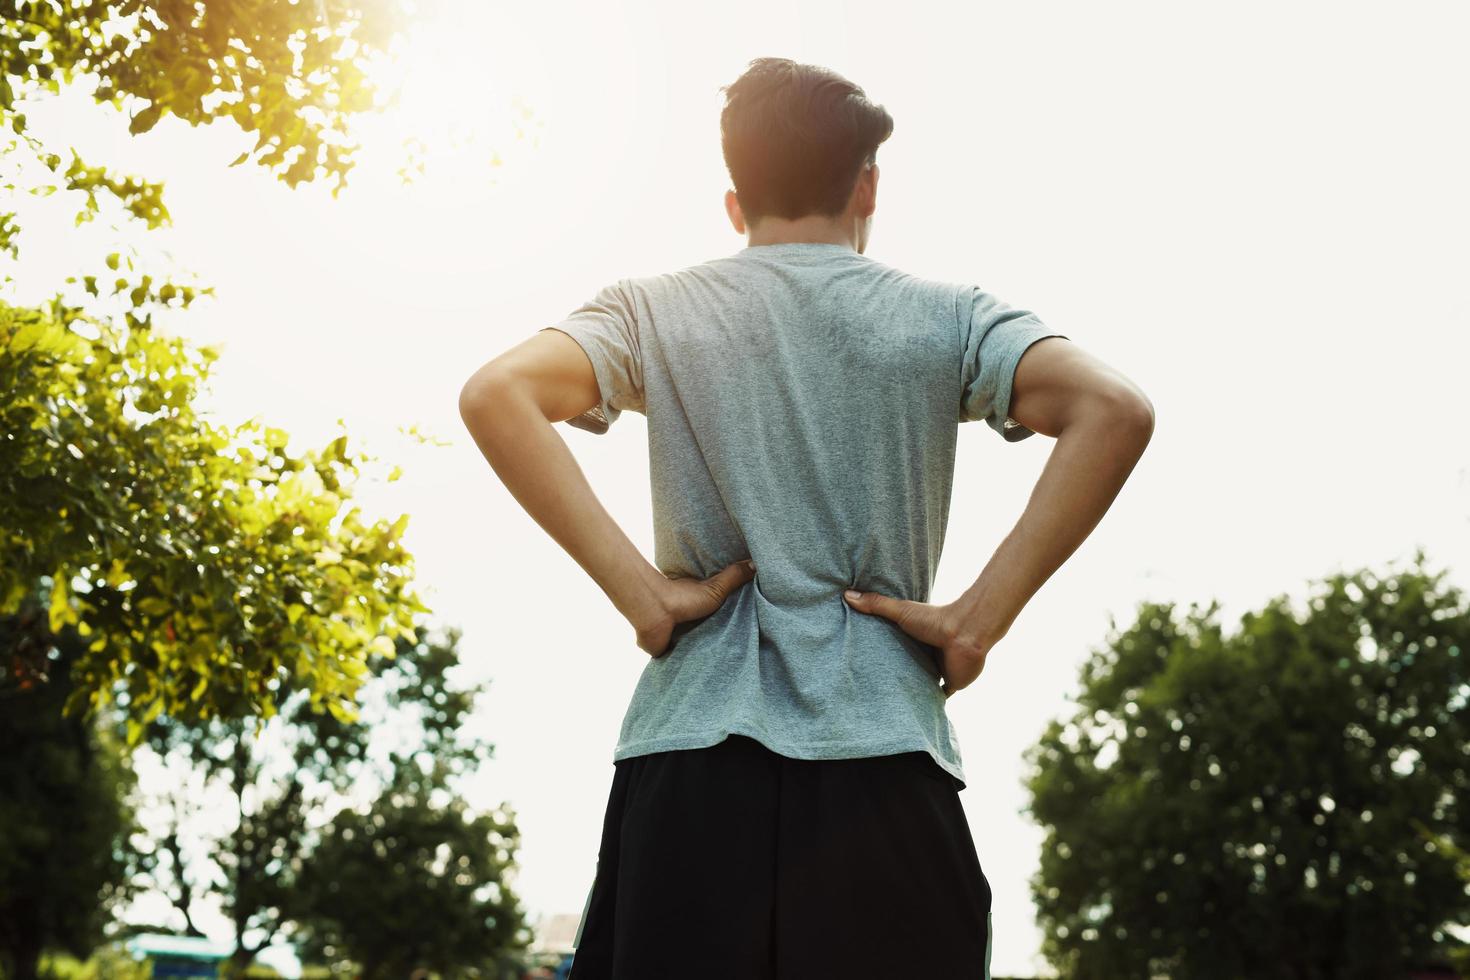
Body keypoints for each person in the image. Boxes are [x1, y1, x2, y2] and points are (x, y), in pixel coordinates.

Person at [458, 56, 1154, 980]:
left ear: (735, 202)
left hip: (692, 758)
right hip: (884, 762)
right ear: (868, 184)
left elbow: (495, 392)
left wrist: (646, 598)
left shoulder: (652, 312)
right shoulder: (951, 319)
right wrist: (975, 623)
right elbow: (1116, 411)